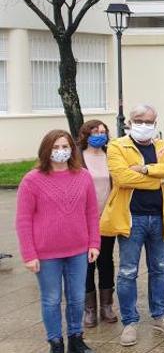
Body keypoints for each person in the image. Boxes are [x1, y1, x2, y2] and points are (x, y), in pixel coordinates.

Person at [100, 104, 164, 346]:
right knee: (128, 271)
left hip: (161, 217)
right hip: (131, 218)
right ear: (129, 122)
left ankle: (159, 314)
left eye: (149, 121)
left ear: (156, 123)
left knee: (160, 268)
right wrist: (159, 179)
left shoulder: (162, 145)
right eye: (139, 120)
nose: (144, 125)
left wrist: (147, 169)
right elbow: (122, 177)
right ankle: (130, 321)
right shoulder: (117, 145)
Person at [16, 130, 100, 353]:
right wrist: (29, 254)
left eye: (65, 147)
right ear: (46, 150)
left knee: (77, 298)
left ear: (72, 149)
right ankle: (55, 342)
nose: (61, 151)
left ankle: (75, 338)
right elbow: (23, 220)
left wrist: (94, 243)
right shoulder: (32, 180)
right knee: (51, 300)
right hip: (46, 254)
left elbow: (92, 212)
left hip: (78, 251)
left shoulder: (83, 175)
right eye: (55, 147)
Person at [78, 120, 118, 327]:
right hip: (82, 220)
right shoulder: (78, 158)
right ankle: (90, 309)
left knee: (105, 261)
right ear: (86, 134)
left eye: (103, 132)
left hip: (106, 217)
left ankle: (106, 305)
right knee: (86, 263)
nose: (99, 135)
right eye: (95, 131)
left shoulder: (111, 155)